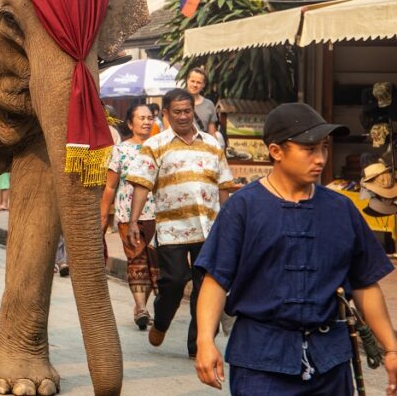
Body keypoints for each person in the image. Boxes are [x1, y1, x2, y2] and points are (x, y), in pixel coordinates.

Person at [194, 103, 397, 394]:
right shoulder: (244, 207)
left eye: (324, 148)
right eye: (309, 149)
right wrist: (205, 341)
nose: (321, 159)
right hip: (260, 362)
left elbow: (365, 284)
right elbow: (216, 279)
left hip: (329, 362)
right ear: (276, 152)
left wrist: (391, 349)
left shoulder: (342, 209)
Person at [125, 87, 232, 358]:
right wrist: (134, 221)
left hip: (209, 229)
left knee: (205, 287)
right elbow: (141, 184)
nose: (183, 116)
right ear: (166, 114)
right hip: (171, 229)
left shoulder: (212, 143)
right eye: (177, 112)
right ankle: (161, 322)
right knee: (173, 281)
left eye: (187, 111)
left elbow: (223, 186)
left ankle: (198, 344)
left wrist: (229, 221)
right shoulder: (156, 145)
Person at [100, 102, 159, 330]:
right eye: (141, 118)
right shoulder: (120, 150)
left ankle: (141, 305)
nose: (146, 122)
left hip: (159, 215)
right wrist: (104, 215)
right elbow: (110, 187)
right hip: (127, 215)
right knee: (137, 260)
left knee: (155, 263)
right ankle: (142, 308)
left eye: (149, 118)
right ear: (130, 123)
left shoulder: (159, 148)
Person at [185, 66, 218, 135]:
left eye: (198, 82)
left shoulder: (209, 105)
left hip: (201, 144)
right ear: (187, 81)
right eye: (192, 81)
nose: (195, 85)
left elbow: (211, 133)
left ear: (203, 85)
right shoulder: (176, 101)